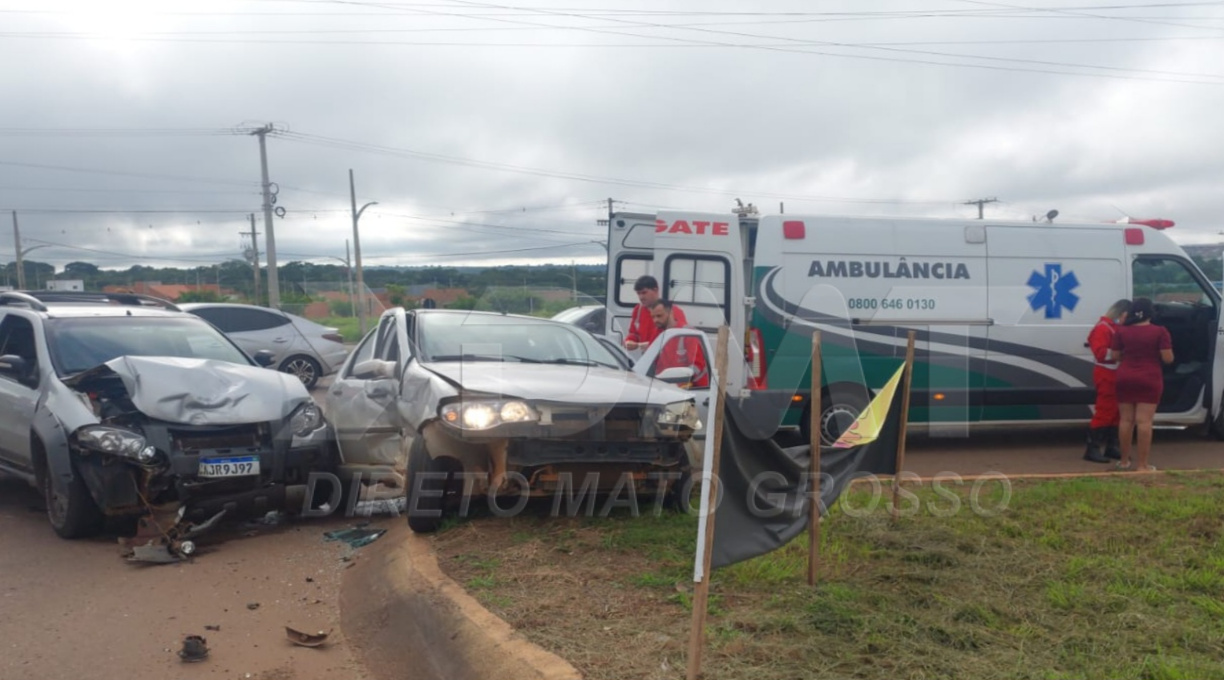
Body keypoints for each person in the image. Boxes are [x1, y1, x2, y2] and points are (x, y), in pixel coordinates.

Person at [1109, 297, 1174, 472]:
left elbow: (1115, 356)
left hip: (1125, 377)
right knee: (1144, 422)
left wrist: (1130, 358)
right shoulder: (1160, 332)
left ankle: (1123, 462)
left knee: (1126, 420)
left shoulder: (1121, 332)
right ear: (1150, 313)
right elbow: (1168, 358)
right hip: (1150, 378)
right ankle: (1143, 465)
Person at [1083, 299, 1131, 463]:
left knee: (1117, 411)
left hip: (1116, 372)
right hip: (1106, 372)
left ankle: (1112, 446)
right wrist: (1122, 353)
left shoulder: (1114, 327)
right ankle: (1092, 448)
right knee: (1105, 410)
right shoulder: (1103, 328)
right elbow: (1100, 352)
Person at [648, 299, 708, 388]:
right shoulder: (657, 334)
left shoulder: (687, 333)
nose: (655, 320)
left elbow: (697, 366)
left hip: (694, 388)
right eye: (653, 317)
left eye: (659, 316)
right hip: (668, 387)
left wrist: (683, 383)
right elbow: (652, 362)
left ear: (670, 313)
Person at [623, 275, 686, 351]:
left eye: (644, 293)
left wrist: (643, 345)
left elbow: (680, 338)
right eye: (638, 293)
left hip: (666, 356)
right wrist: (629, 341)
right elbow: (634, 333)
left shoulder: (674, 310)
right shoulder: (638, 310)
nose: (641, 297)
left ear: (655, 290)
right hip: (647, 356)